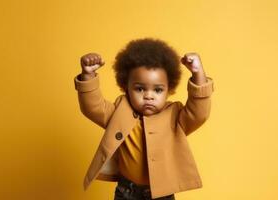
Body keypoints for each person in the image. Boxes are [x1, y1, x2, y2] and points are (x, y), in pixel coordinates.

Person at [74, 38, 214, 199]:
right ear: (126, 87)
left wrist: (199, 75)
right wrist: (88, 75)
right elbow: (93, 108)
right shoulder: (120, 110)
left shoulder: (175, 115)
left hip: (162, 194)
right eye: (140, 88)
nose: (148, 96)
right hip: (126, 191)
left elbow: (199, 113)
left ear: (169, 90)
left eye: (158, 90)